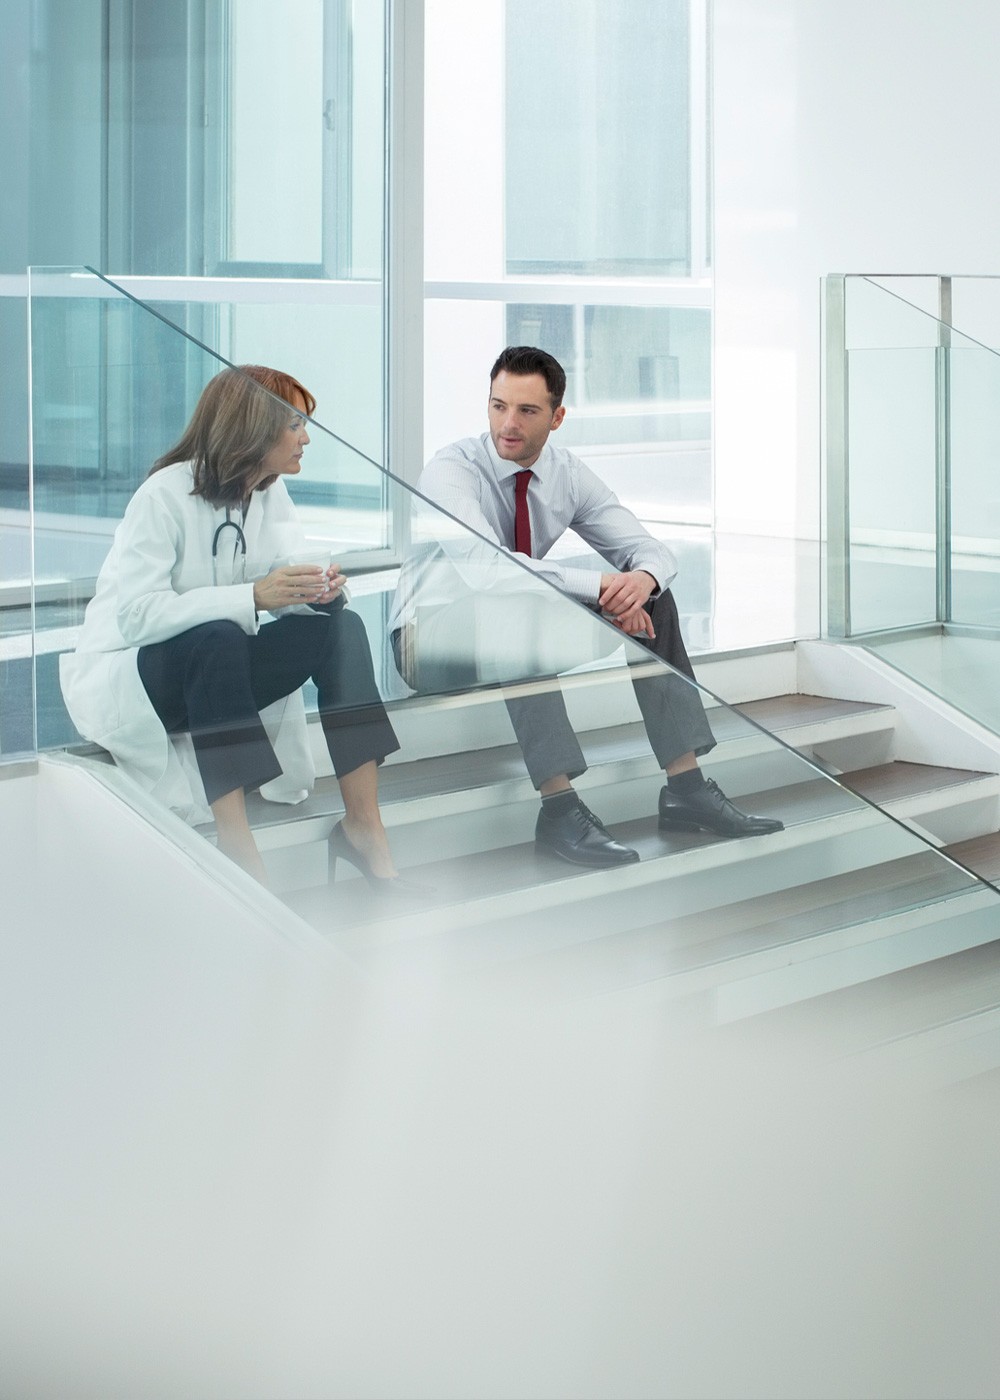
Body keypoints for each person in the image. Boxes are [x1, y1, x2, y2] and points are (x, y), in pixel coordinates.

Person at [390, 345, 783, 868]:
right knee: (520, 612)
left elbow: (651, 551)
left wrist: (637, 583)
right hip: (428, 638)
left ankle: (685, 789)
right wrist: (600, 586)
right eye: (497, 405)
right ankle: (558, 810)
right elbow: (490, 572)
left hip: (514, 624)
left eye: (527, 411)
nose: (508, 423)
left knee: (653, 598)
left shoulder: (566, 474)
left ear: (557, 417)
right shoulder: (450, 471)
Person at [60, 364, 412, 892]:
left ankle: (364, 825)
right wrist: (249, 597)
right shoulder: (162, 496)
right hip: (140, 680)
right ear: (252, 427)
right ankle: (235, 841)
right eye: (294, 424)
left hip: (219, 672)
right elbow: (134, 616)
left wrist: (319, 591)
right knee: (219, 633)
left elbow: (283, 578)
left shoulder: (270, 493)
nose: (306, 437)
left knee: (342, 629)